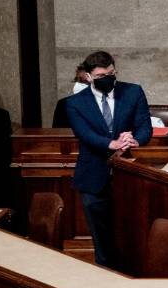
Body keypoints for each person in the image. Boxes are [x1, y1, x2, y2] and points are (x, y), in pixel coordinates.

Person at [64, 51, 151, 268]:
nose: (109, 78)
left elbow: (144, 126)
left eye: (112, 73)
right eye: (102, 75)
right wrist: (110, 143)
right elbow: (84, 133)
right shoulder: (75, 103)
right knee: (102, 240)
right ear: (88, 77)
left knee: (132, 234)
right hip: (93, 176)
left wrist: (134, 140)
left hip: (129, 175)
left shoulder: (133, 92)